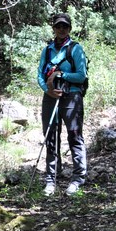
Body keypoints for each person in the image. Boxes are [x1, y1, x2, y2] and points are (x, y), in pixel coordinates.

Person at [37, 13, 88, 196]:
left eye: (65, 26)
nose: (61, 29)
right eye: (58, 26)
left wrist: (61, 75)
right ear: (53, 28)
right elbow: (39, 75)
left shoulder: (75, 49)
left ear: (69, 29)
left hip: (72, 96)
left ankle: (78, 178)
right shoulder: (48, 50)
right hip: (50, 97)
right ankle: (51, 178)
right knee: (50, 137)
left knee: (74, 136)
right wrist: (48, 89)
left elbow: (81, 75)